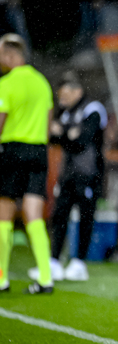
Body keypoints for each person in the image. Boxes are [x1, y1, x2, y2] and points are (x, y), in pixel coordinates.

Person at [28, 73, 107, 282]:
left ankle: (79, 262)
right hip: (68, 173)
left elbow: (82, 141)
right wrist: (67, 133)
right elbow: (54, 138)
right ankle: (53, 261)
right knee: (60, 215)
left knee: (85, 217)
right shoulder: (66, 113)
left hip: (89, 174)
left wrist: (63, 134)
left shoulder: (93, 109)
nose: (61, 99)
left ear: (77, 91)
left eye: (64, 94)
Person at [0, 33, 54, 294]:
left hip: (12, 149)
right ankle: (45, 277)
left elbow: (0, 120)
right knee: (33, 215)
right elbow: (48, 120)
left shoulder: (6, 83)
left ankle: (1, 278)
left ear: (10, 55)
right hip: (38, 150)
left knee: (3, 215)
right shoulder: (42, 82)